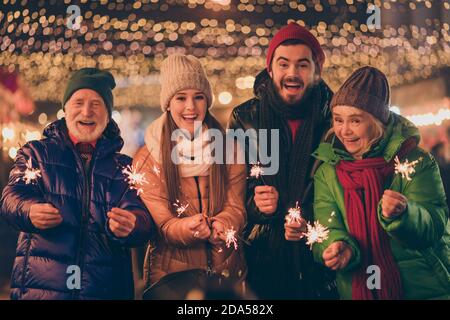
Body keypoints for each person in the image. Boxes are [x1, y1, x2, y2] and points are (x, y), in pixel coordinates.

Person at [0, 68, 154, 299]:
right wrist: (29, 210)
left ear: (107, 113)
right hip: (41, 289)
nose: (86, 111)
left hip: (104, 290)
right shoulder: (36, 154)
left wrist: (132, 225)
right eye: (78, 102)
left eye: (96, 104)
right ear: (66, 109)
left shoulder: (125, 167)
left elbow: (143, 218)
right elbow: (11, 198)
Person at [312, 66, 450, 299]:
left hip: (422, 286)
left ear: (377, 122)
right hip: (358, 288)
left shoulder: (415, 160)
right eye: (338, 120)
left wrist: (404, 215)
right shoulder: (328, 171)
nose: (344, 131)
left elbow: (434, 224)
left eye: (355, 120)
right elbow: (323, 228)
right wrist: (336, 246)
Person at [228, 22, 336, 299]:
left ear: (316, 71)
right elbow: (232, 190)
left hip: (323, 262)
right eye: (284, 64)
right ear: (270, 69)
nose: (292, 73)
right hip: (264, 260)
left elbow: (345, 190)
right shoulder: (245, 119)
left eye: (302, 65)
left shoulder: (336, 120)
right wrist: (257, 203)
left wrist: (311, 225)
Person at [133, 54, 247, 297]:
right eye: (181, 98)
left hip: (224, 276)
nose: (190, 107)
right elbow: (162, 223)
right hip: (171, 282)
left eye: (198, 97)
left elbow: (236, 207)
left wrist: (223, 224)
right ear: (168, 103)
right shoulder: (148, 157)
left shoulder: (230, 149)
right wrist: (186, 228)